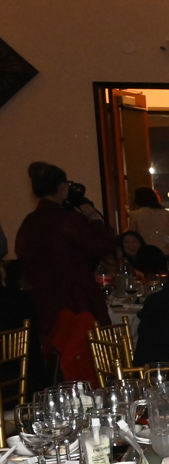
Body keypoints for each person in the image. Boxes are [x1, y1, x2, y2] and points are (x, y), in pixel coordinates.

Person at [16, 163, 116, 382]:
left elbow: (23, 257)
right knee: (86, 352)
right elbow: (103, 245)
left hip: (43, 298)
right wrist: (95, 219)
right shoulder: (68, 219)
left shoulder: (29, 223)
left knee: (55, 354)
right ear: (62, 187)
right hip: (77, 296)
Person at [129, 187, 169, 253]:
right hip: (166, 250)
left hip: (146, 251)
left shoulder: (135, 215)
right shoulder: (165, 213)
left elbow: (133, 234)